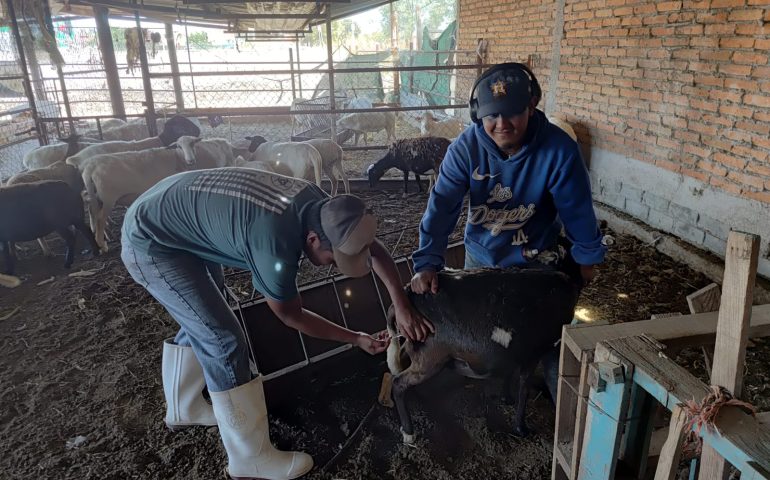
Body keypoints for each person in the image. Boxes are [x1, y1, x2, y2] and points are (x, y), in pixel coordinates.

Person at [120, 167, 432, 480]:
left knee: (203, 316)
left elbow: (368, 245)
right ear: (312, 239)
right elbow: (290, 315)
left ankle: (183, 407)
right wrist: (354, 338)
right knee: (223, 340)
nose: (335, 266)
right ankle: (248, 458)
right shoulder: (273, 246)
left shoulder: (325, 209)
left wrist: (401, 304)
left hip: (179, 213)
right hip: (153, 241)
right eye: (334, 258)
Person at [410, 62, 606, 399]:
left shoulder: (558, 150)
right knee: (483, 333)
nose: (502, 124)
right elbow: (442, 206)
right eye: (491, 116)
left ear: (531, 106)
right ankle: (492, 391)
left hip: (536, 260)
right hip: (482, 256)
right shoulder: (465, 150)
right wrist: (427, 260)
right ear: (477, 115)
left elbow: (577, 209)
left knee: (545, 333)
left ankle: (556, 391)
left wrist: (586, 255)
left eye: (512, 113)